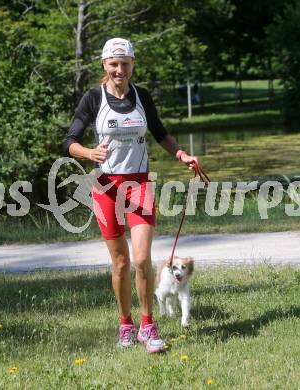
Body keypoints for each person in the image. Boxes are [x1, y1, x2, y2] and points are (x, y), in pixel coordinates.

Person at [63, 37, 199, 353]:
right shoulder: (93, 98)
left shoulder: (142, 97)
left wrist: (181, 155)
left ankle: (147, 326)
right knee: (121, 263)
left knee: (141, 260)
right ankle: (126, 324)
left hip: (139, 186)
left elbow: (161, 134)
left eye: (125, 63)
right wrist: (87, 152)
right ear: (104, 65)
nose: (119, 69)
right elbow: (69, 139)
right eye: (113, 64)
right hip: (106, 187)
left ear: (132, 64)